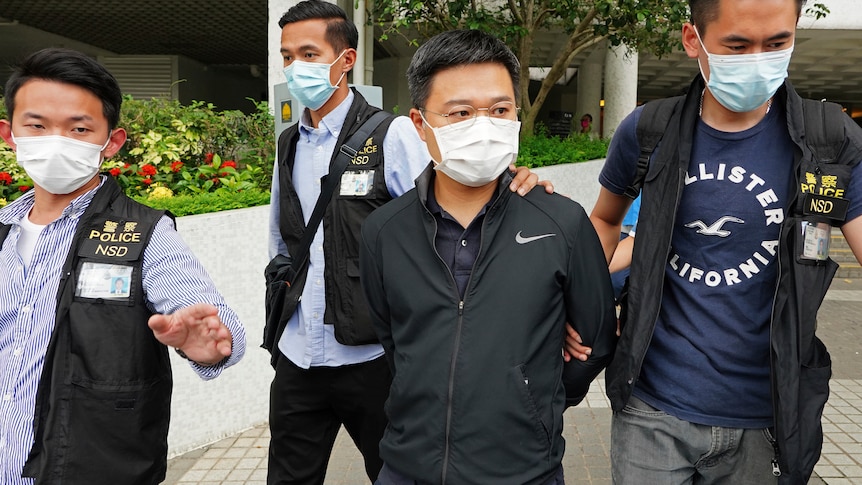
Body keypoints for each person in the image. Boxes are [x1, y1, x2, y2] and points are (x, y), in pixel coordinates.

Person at [266, 2, 549, 483]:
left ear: (346, 59)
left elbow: (446, 210)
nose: (296, 68)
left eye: (309, 54)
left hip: (371, 357)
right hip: (298, 353)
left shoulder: (391, 133)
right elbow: (281, 235)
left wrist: (514, 183)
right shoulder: (289, 141)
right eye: (287, 56)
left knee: (394, 471)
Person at [585, 0, 862, 483]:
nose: (759, 59)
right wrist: (578, 305)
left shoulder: (827, 140)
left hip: (766, 417)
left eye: (777, 43)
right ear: (694, 40)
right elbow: (606, 221)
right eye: (737, 45)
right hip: (651, 409)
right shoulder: (650, 129)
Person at [359, 29, 617, 484]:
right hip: (407, 468)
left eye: (500, 110)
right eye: (460, 113)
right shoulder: (384, 230)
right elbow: (393, 341)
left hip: (523, 470)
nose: (483, 125)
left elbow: (593, 343)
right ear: (420, 124)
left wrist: (534, 399)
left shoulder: (560, 221)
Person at [0, 48, 246, 485]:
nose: (56, 141)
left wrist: (205, 344)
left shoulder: (144, 232)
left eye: (79, 129)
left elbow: (216, 327)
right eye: (37, 126)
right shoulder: (2, 233)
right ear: (10, 133)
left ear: (111, 142)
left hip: (88, 470)